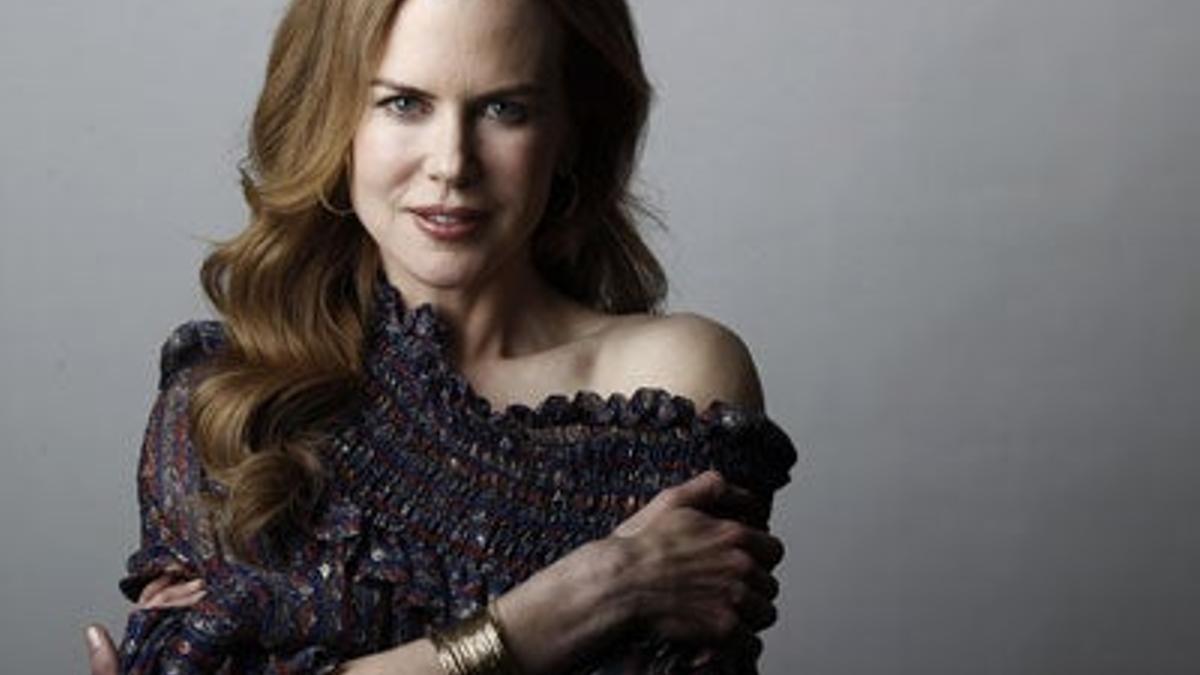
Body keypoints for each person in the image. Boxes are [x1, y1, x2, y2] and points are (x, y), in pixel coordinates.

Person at [84, 0, 798, 672]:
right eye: (404, 103)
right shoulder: (226, 402)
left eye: (504, 108)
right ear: (332, 121)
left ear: (571, 129)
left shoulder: (674, 382)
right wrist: (591, 589)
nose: (452, 163)